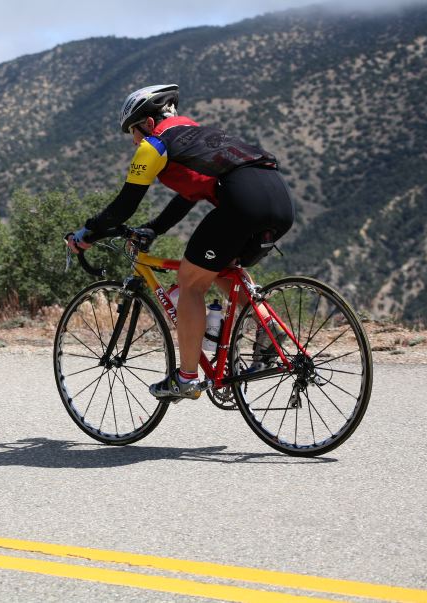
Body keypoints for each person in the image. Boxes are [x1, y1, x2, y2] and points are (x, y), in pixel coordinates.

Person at [66, 84, 295, 401]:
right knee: (221, 270)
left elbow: (125, 205)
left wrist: (88, 233)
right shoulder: (201, 137)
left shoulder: (154, 144)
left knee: (190, 281)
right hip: (280, 202)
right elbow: (190, 197)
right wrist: (154, 229)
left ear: (146, 122)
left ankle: (186, 378)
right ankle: (268, 328)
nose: (134, 141)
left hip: (244, 203)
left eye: (133, 132)